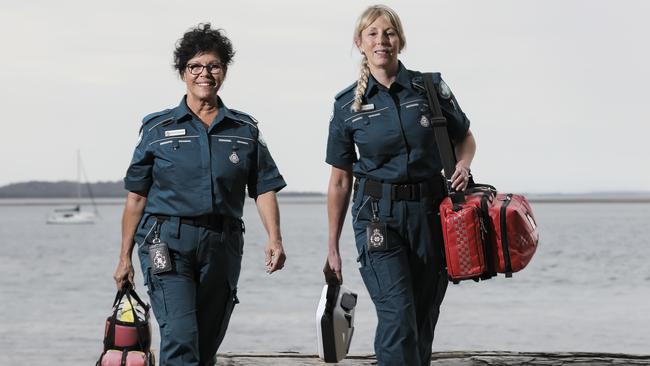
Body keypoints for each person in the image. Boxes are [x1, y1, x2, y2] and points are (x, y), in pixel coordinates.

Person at [113, 23, 287, 366]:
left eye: (213, 66)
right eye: (195, 66)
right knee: (179, 338)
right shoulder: (156, 129)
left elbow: (263, 188)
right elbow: (136, 197)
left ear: (223, 71)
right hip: (167, 242)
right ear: (182, 73)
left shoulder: (244, 129)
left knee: (205, 346)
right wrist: (124, 257)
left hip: (223, 244)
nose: (204, 73)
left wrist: (275, 239)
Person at [325, 5, 476, 366]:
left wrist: (463, 165)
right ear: (359, 43)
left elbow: (465, 137)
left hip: (432, 215)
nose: (382, 41)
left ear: (400, 40)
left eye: (389, 33)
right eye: (373, 34)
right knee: (397, 319)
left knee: (422, 323)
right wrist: (331, 246)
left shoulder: (430, 87)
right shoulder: (347, 105)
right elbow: (340, 180)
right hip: (378, 218)